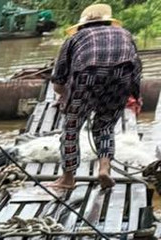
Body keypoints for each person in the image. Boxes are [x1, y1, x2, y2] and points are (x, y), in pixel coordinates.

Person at [50, 4, 141, 197]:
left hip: (87, 75)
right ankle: (104, 169)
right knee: (105, 125)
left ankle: (67, 179)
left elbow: (58, 82)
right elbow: (136, 69)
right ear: (109, 21)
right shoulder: (125, 34)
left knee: (72, 128)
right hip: (122, 76)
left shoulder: (74, 38)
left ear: (82, 25)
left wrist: (68, 101)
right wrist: (135, 94)